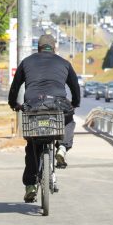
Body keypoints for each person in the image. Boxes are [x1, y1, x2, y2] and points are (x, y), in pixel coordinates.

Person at [8, 33, 80, 203]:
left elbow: (15, 86)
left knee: (33, 145)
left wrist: (13, 104)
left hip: (33, 105)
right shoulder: (64, 63)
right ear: (54, 48)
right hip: (57, 104)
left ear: (38, 48)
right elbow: (75, 87)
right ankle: (62, 148)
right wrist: (75, 103)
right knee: (68, 121)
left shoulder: (27, 62)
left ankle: (31, 186)